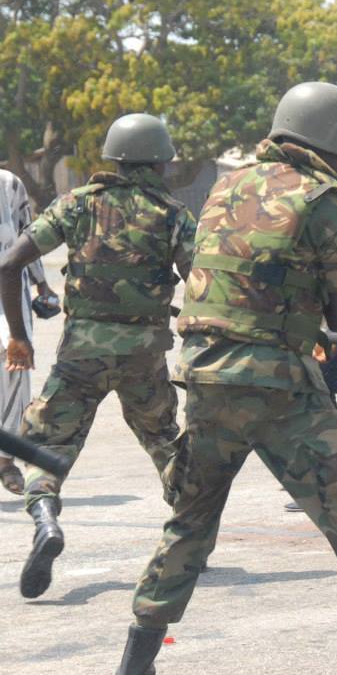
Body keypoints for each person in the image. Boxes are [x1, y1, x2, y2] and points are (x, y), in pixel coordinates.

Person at [113, 82, 337, 675]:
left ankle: (132, 665)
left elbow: (249, 279)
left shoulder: (228, 186)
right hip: (278, 388)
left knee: (189, 523)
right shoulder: (326, 196)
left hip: (206, 379)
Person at [0, 114, 194, 600]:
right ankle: (188, 541)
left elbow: (8, 265)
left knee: (48, 442)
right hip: (144, 356)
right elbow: (203, 282)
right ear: (156, 162)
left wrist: (20, 337)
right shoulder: (172, 214)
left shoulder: (75, 205)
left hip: (80, 354)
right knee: (165, 442)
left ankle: (45, 517)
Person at [0, 169, 57, 496]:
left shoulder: (10, 184)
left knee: (14, 376)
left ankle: (6, 461)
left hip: (10, 295)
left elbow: (27, 236)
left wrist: (42, 285)